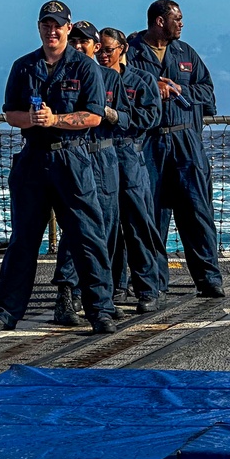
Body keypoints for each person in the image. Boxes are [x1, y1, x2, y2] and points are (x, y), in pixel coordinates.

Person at [0, 1, 120, 335]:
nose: (52, 30)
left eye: (57, 25)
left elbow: (94, 116)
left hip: (72, 158)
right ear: (39, 27)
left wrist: (55, 119)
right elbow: (9, 113)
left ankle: (100, 309)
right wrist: (30, 119)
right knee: (23, 241)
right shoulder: (24, 66)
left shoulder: (84, 68)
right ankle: (5, 312)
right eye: (46, 24)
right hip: (34, 158)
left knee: (87, 238)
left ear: (68, 28)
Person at [127, 0, 224, 298]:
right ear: (159, 21)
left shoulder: (186, 54)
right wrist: (150, 89)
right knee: (150, 213)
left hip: (186, 142)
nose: (181, 23)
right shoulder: (131, 51)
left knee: (197, 211)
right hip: (148, 141)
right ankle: (154, 282)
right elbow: (117, 86)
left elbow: (208, 93)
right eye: (176, 18)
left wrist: (181, 89)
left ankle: (208, 278)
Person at [51, 21, 125, 326]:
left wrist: (109, 114)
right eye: (76, 41)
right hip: (77, 155)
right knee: (75, 230)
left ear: (97, 46)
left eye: (87, 42)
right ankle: (66, 295)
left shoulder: (110, 78)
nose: (80, 46)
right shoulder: (62, 73)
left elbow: (128, 117)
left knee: (105, 228)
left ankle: (100, 297)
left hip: (105, 155)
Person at [97, 27, 166, 313]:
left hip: (129, 152)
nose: (102, 54)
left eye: (108, 49)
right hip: (102, 154)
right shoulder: (95, 79)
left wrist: (118, 116)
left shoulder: (142, 79)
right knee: (108, 226)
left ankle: (148, 288)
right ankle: (114, 287)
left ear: (123, 49)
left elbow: (152, 116)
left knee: (139, 223)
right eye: (99, 49)